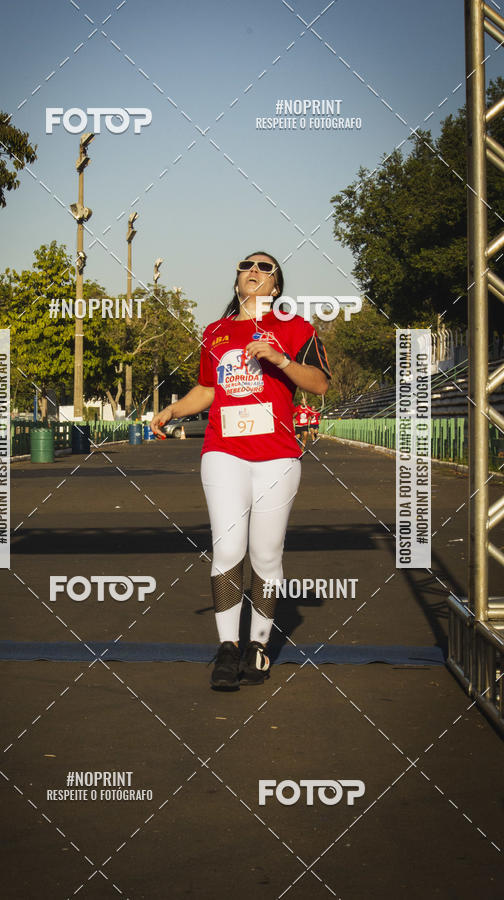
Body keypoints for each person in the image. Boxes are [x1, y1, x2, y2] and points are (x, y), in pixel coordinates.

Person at [151, 252, 331, 689]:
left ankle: (258, 646)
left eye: (266, 268)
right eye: (247, 265)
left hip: (277, 455)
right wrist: (173, 411)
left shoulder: (296, 327)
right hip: (223, 451)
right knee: (228, 549)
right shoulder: (215, 331)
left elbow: (320, 382)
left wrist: (280, 359)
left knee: (266, 555)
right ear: (237, 281)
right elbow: (207, 389)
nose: (254, 270)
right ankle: (228, 648)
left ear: (276, 286)